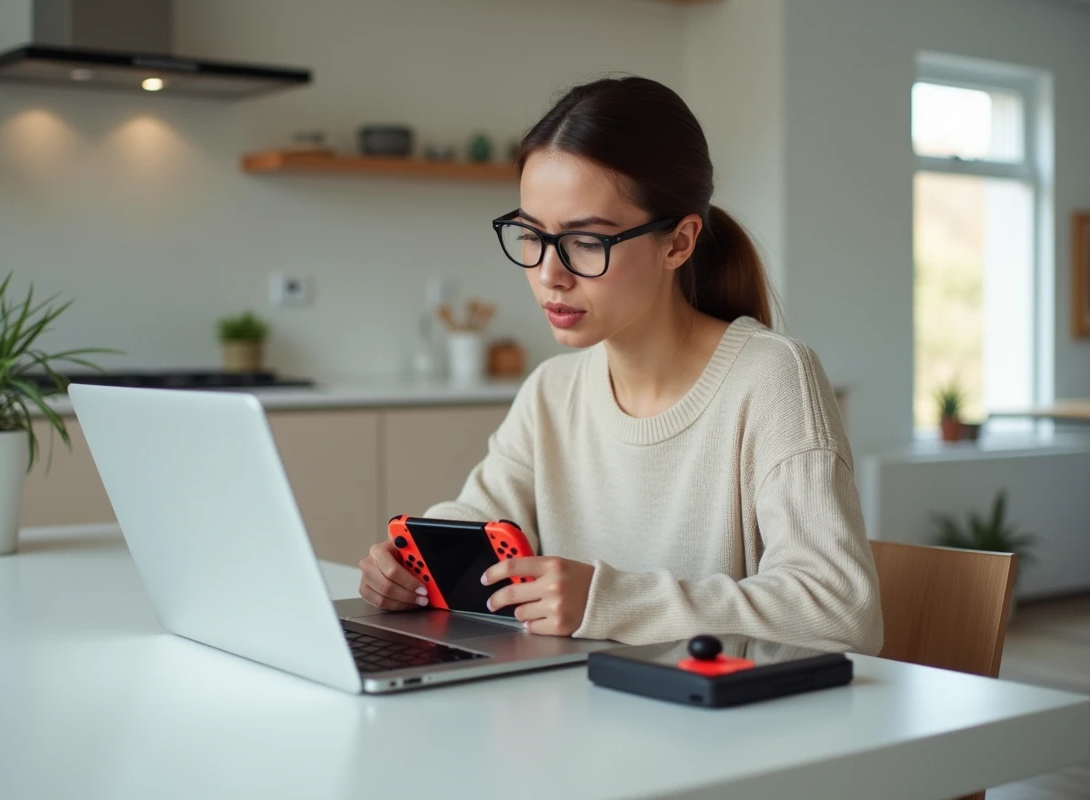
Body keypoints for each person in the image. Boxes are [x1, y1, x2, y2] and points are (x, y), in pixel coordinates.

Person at [358, 76, 883, 654]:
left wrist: (608, 601)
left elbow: (839, 612)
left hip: (712, 710)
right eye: (531, 234)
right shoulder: (551, 391)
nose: (548, 275)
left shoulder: (772, 378)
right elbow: (476, 521)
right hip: (573, 700)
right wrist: (408, 567)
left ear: (678, 243)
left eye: (586, 242)